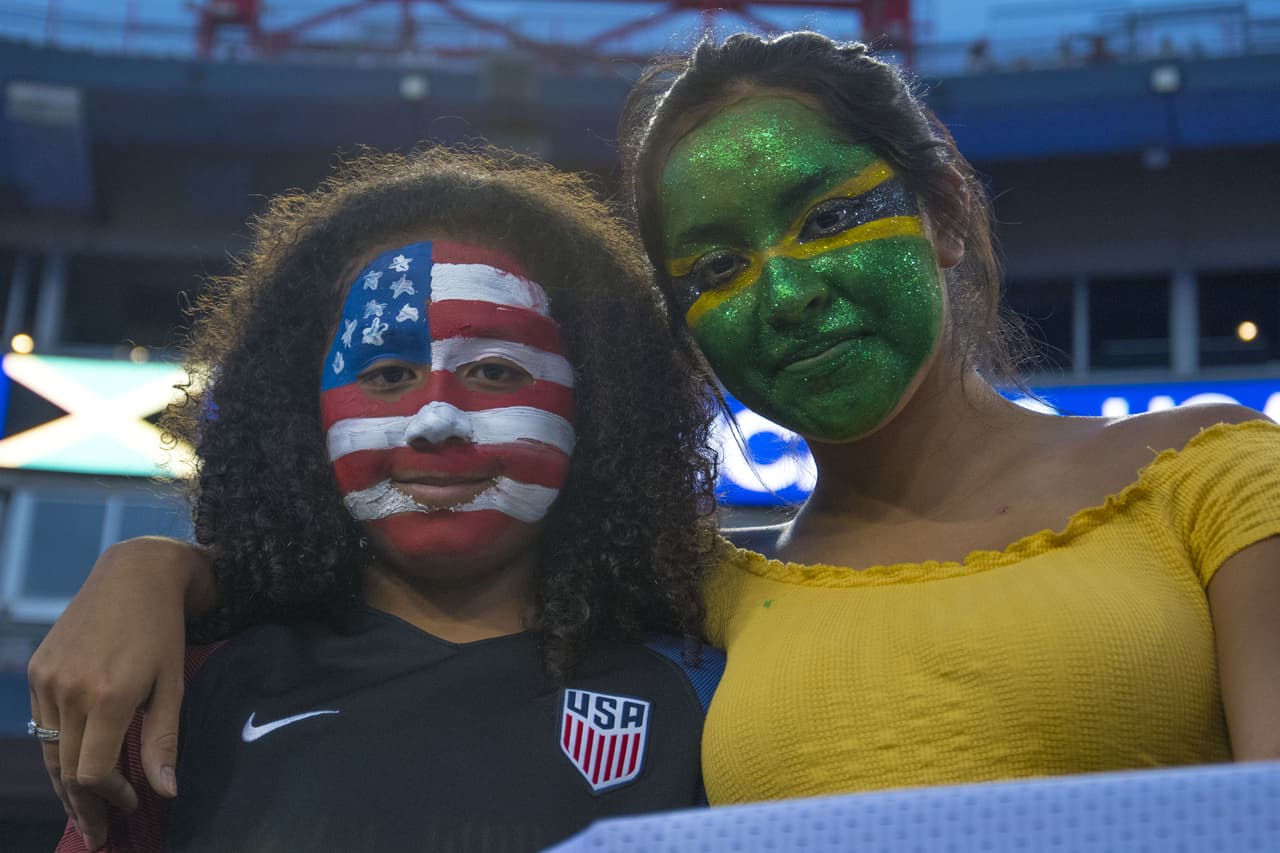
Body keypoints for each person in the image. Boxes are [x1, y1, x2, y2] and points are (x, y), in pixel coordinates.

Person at [30, 31, 1280, 823]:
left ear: (945, 210)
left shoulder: (1213, 478)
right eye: (718, 266)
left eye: (829, 222)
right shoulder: (707, 595)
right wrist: (156, 566)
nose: (788, 294)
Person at [31, 146, 724, 852]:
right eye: (388, 373)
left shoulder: (706, 695)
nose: (435, 419)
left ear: (598, 406)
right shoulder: (190, 684)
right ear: (306, 416)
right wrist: (148, 562)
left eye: (493, 369)